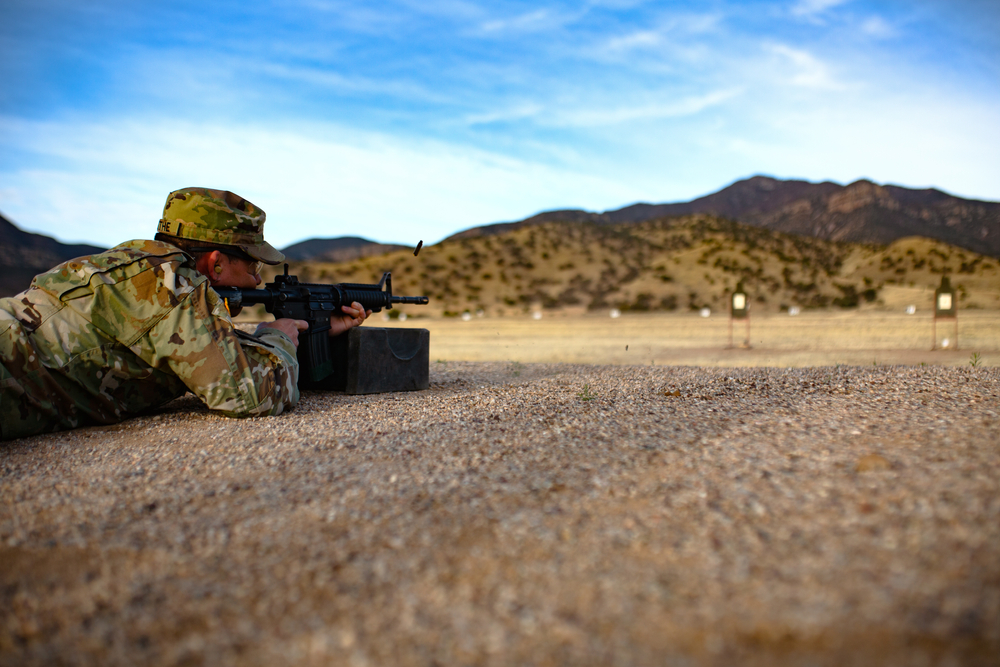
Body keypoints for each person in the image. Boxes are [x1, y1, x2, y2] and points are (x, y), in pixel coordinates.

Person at [0, 187, 369, 441]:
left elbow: (188, 344)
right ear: (217, 263)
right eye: (254, 263)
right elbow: (248, 395)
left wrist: (317, 324)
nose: (259, 277)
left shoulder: (138, 263)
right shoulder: (173, 285)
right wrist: (278, 337)